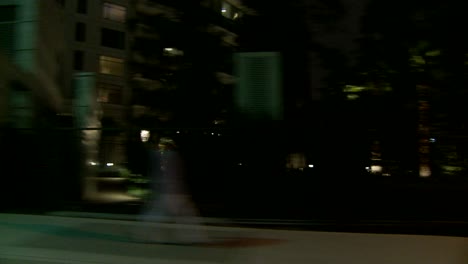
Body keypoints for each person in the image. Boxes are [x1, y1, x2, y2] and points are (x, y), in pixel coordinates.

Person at [134, 137, 210, 244]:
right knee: (184, 215)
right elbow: (174, 175)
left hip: (169, 192)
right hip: (174, 192)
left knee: (157, 214)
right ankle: (195, 237)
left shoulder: (161, 156)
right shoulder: (171, 156)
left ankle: (144, 234)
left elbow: (161, 174)